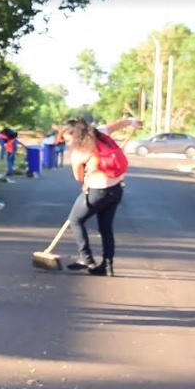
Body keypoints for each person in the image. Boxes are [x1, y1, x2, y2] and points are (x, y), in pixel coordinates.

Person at [61, 117, 141, 277]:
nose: (67, 142)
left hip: (98, 190)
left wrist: (86, 178)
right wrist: (132, 122)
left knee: (75, 220)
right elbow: (119, 123)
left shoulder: (79, 151)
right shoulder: (101, 132)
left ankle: (86, 259)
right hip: (117, 189)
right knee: (106, 228)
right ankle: (107, 265)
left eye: (67, 138)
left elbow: (78, 177)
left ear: (75, 135)